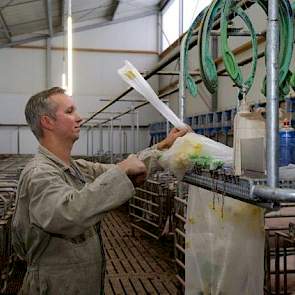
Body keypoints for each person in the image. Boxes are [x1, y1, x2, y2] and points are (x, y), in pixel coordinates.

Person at [12, 87, 189, 294]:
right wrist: (122, 171)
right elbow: (68, 214)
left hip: (77, 284)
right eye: (69, 112)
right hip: (55, 286)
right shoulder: (40, 174)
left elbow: (122, 170)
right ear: (47, 122)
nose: (79, 118)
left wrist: (164, 147)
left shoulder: (75, 168)